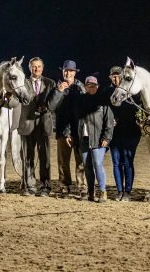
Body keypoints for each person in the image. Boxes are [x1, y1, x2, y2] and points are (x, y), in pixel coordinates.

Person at [17, 57, 65, 197]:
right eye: (33, 67)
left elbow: (54, 104)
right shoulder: (22, 83)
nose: (36, 69)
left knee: (45, 158)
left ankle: (45, 186)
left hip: (44, 124)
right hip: (27, 124)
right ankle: (29, 186)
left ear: (42, 68)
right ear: (29, 68)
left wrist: (59, 91)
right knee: (28, 157)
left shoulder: (50, 83)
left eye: (38, 66)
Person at [69, 76, 114, 203]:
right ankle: (90, 192)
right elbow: (74, 119)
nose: (91, 87)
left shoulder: (103, 102)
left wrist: (107, 137)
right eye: (89, 85)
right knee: (87, 166)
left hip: (98, 140)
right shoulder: (80, 100)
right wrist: (70, 133)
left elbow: (109, 121)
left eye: (93, 85)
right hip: (83, 139)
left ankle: (102, 191)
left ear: (97, 86)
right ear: (85, 87)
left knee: (98, 164)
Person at [107, 66, 142, 201]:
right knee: (116, 162)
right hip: (114, 133)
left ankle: (128, 191)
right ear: (110, 77)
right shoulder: (108, 92)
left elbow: (139, 110)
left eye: (118, 76)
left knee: (127, 162)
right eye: (113, 76)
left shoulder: (132, 92)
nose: (116, 78)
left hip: (130, 132)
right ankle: (119, 190)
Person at [53, 60, 86, 198]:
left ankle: (82, 186)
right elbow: (53, 107)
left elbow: (83, 110)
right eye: (66, 70)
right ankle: (64, 185)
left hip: (78, 130)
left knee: (81, 160)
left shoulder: (81, 87)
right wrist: (65, 132)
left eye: (71, 71)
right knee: (63, 161)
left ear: (74, 72)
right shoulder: (58, 86)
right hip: (62, 129)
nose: (68, 73)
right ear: (63, 71)